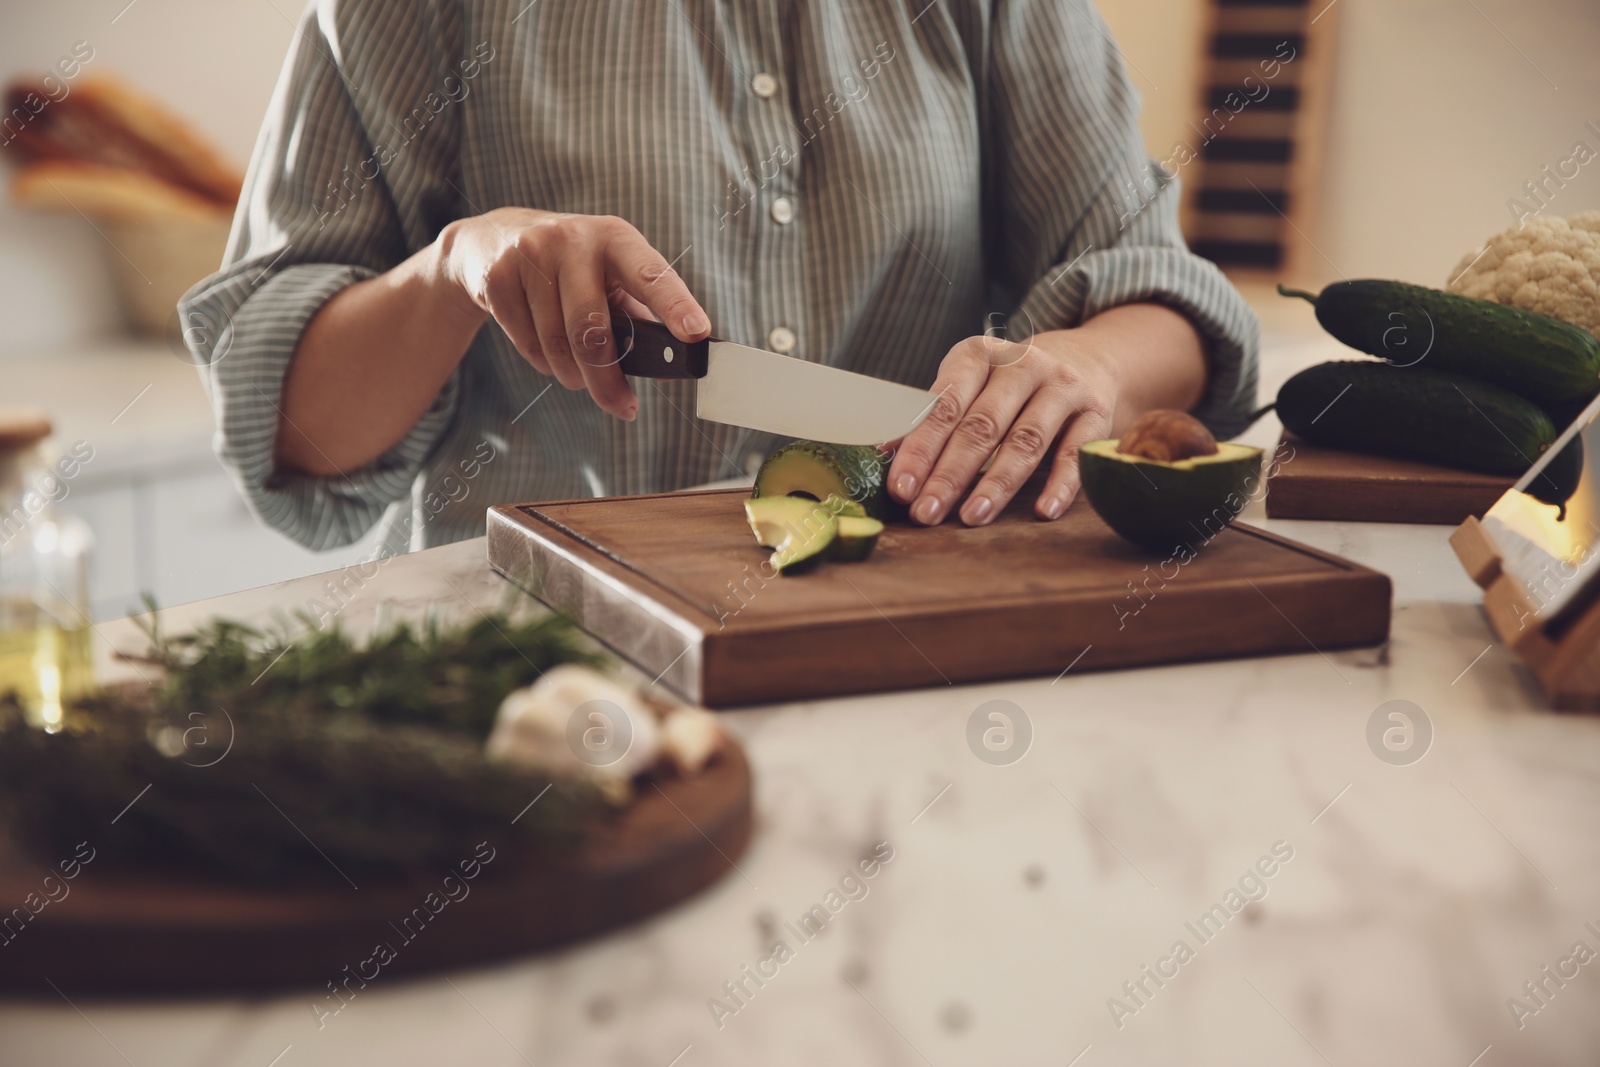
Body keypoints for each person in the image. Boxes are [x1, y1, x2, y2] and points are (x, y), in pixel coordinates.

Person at [181, 0, 1258, 556]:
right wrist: (451, 270)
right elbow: (293, 430)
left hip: (911, 639)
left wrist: (1081, 363)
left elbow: (1160, 296)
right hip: (551, 676)